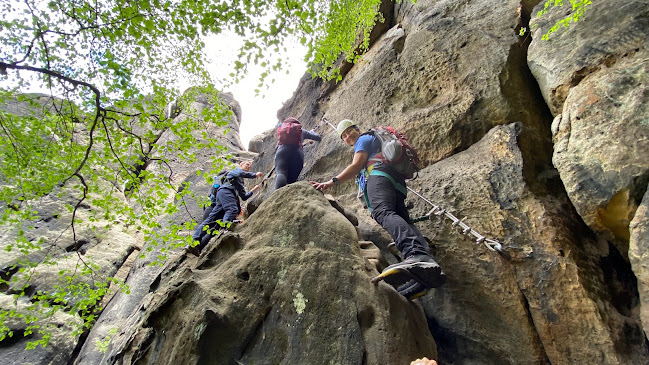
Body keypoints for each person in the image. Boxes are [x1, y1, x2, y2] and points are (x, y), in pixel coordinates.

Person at [310, 119, 446, 299]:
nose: (348, 136)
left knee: (382, 212)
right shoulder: (373, 141)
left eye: (350, 131)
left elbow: (356, 166)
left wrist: (331, 182)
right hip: (396, 183)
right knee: (401, 219)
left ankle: (416, 254)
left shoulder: (364, 140)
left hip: (379, 175)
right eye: (344, 136)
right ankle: (426, 269)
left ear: (357, 129)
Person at [188, 160, 262, 256]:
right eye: (247, 164)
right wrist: (254, 175)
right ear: (241, 165)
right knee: (232, 209)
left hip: (222, 194)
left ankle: (194, 243)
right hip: (225, 191)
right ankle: (224, 230)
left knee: (211, 220)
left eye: (250, 166)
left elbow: (243, 196)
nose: (249, 167)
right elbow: (240, 172)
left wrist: (253, 190)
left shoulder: (239, 180)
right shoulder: (235, 171)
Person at [274, 117, 321, 189]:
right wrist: (312, 132)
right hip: (297, 153)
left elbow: (277, 146)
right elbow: (318, 137)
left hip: (282, 152)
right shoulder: (302, 131)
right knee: (292, 180)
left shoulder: (283, 132)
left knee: (281, 173)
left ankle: (277, 196)